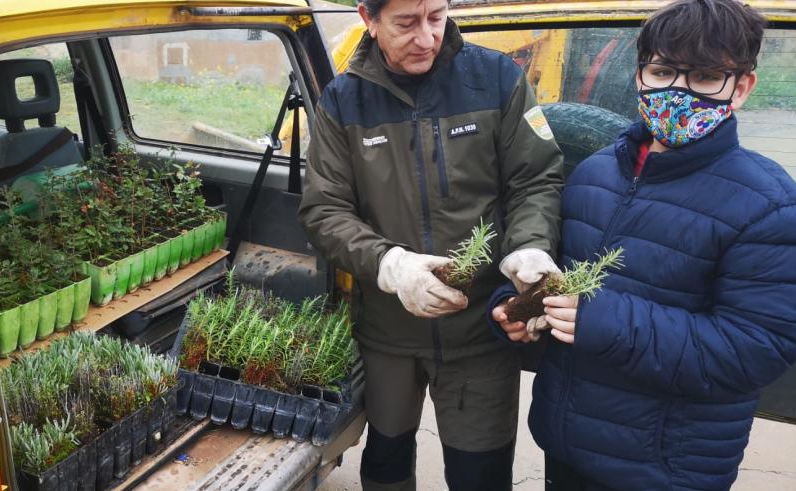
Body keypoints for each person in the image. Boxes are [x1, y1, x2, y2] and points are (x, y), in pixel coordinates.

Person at [489, 1, 796, 489]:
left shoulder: (768, 205)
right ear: (639, 75)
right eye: (663, 70)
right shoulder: (594, 173)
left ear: (741, 87)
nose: (677, 90)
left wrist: (601, 320)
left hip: (665, 465)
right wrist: (516, 306)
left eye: (703, 77)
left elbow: (754, 349)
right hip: (568, 443)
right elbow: (560, 281)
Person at [297, 0, 564, 488]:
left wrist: (528, 248)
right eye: (406, 23)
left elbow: (536, 179)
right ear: (369, 19)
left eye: (436, 17)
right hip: (387, 333)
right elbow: (324, 209)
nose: (426, 37)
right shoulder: (343, 101)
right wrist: (390, 265)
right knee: (386, 456)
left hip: (481, 329)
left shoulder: (497, 79)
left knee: (479, 468)